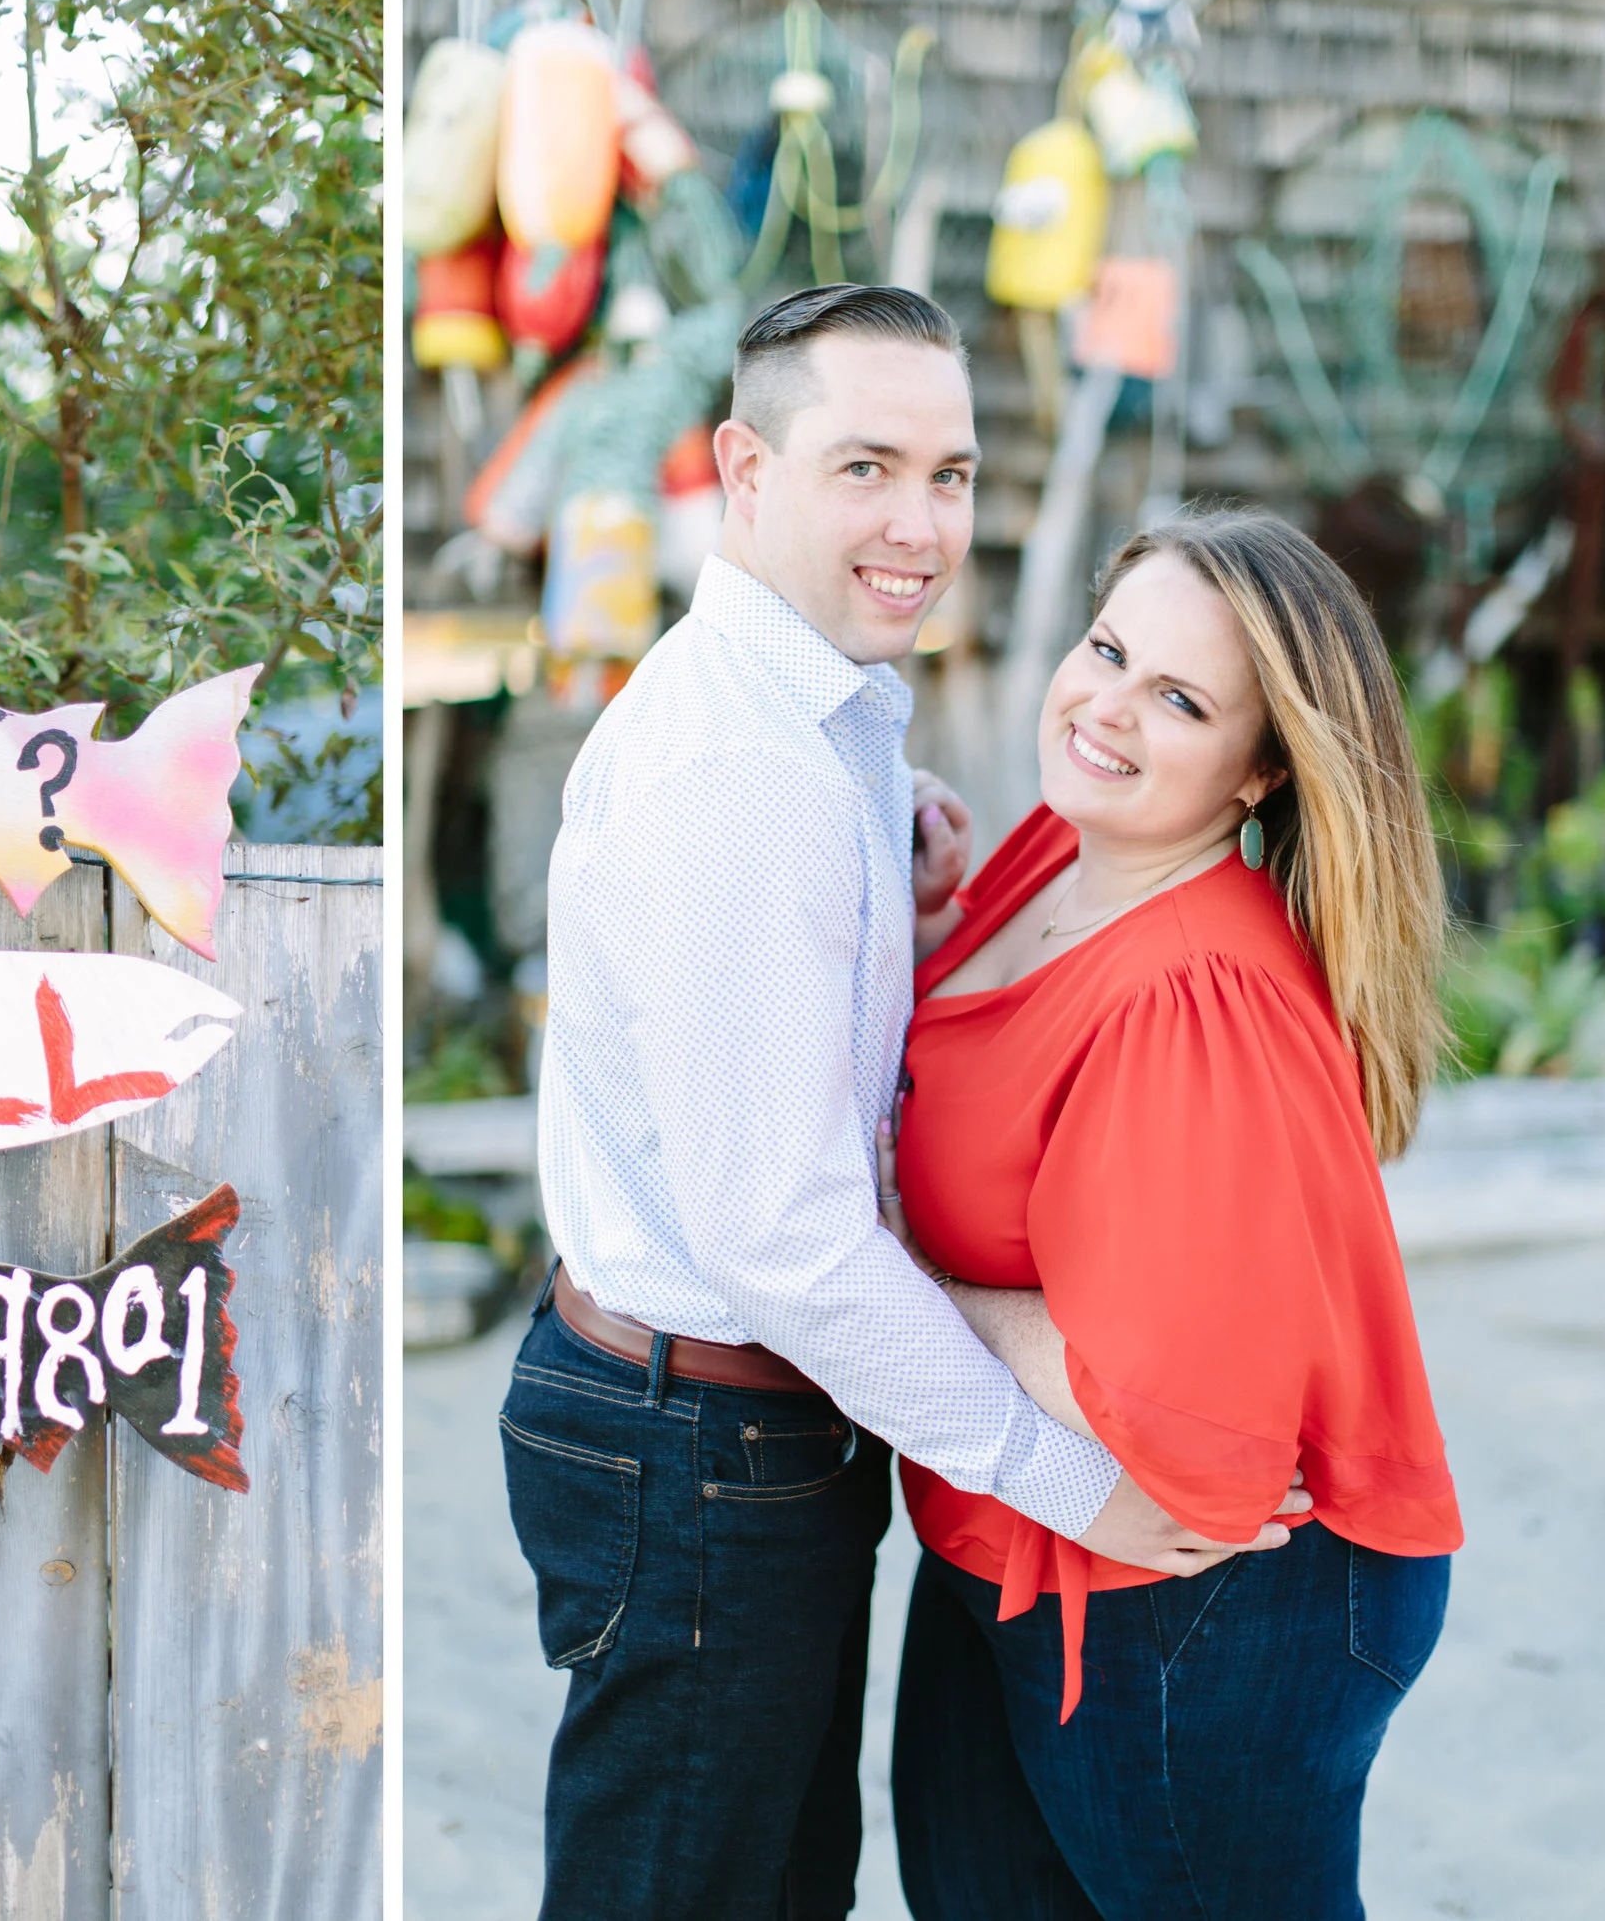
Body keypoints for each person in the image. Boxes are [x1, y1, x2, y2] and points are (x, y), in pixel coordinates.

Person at [507, 282, 1304, 1921]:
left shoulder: (830, 708)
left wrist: (912, 899)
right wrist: (1072, 1479)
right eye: (866, 466)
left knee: (780, 1883)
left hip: (722, 1423)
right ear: (743, 467)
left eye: (949, 474)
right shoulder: (749, 774)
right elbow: (788, 1243)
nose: (920, 524)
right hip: (698, 1434)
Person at [883, 508, 1462, 1921]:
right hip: (1008, 1538)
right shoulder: (1048, 855)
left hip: (1209, 1605)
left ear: (1263, 769)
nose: (1108, 710)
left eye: (1181, 700)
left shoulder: (1194, 999)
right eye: (1108, 650)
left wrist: (889, 1281)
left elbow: (1164, 1416)